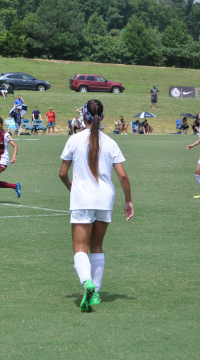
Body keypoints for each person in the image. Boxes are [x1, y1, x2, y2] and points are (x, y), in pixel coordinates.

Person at [59, 99, 133, 312]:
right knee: (97, 246)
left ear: (83, 116)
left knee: (80, 248)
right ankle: (96, 292)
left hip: (82, 198)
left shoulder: (74, 139)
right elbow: (123, 176)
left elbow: (62, 173)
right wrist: (128, 201)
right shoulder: (111, 142)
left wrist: (70, 186)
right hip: (105, 199)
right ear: (103, 117)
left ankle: (87, 283)